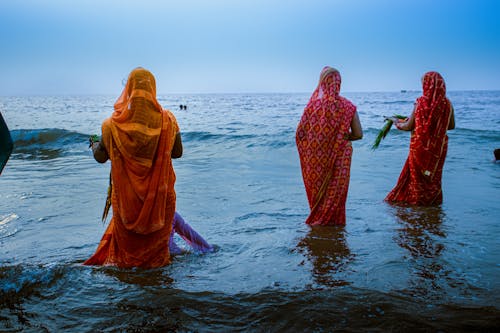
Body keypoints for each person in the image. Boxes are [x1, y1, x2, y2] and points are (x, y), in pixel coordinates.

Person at [85, 67, 210, 268]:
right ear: (153, 90)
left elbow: (100, 157)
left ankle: (133, 280)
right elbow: (177, 153)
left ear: (128, 91)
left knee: (129, 253)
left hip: (127, 201)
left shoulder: (110, 126)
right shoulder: (168, 120)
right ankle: (159, 279)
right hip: (160, 198)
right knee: (160, 249)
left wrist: (93, 143)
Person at [296, 66, 363, 226]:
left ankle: (319, 222)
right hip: (341, 157)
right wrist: (340, 138)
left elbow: (300, 134)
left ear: (322, 83)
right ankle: (334, 224)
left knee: (319, 190)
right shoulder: (348, 106)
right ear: (339, 83)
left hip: (316, 160)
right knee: (336, 193)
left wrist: (315, 146)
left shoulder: (312, 107)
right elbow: (358, 134)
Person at [385, 71, 455, 206]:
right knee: (432, 177)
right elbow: (451, 126)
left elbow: (408, 126)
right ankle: (432, 203)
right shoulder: (447, 104)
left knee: (417, 178)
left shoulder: (420, 102)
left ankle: (417, 203)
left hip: (420, 148)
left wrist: (396, 122)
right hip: (438, 150)